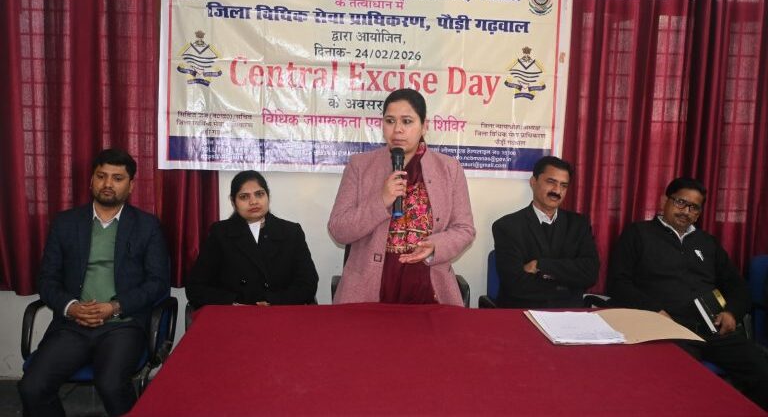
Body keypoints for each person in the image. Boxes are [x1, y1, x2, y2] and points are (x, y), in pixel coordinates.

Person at [18, 149, 170, 417]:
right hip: (72, 326)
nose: (108, 184)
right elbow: (47, 278)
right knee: (32, 387)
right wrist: (71, 307)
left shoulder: (147, 226)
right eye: (101, 176)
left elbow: (157, 282)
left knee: (111, 384)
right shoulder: (66, 223)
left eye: (117, 178)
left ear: (131, 185)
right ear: (91, 181)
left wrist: (115, 307)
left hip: (122, 325)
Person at [608, 177, 768, 410]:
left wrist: (732, 313)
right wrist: (653, 311)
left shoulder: (707, 242)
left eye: (694, 207)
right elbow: (618, 284)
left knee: (761, 370)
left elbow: (737, 286)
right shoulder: (638, 234)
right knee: (678, 386)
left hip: (712, 328)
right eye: (681, 202)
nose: (686, 211)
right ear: (664, 201)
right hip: (667, 329)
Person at [328, 88, 475, 305]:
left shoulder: (449, 169)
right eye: (390, 121)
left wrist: (436, 246)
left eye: (407, 121)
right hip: (369, 289)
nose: (397, 129)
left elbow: (464, 229)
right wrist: (381, 200)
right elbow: (338, 229)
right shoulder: (360, 166)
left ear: (424, 126)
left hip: (428, 288)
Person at [186, 170, 318, 306]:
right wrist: (232, 303)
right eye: (244, 197)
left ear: (268, 196)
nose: (253, 201)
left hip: (279, 311)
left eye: (259, 194)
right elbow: (195, 287)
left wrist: (274, 301)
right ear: (233, 202)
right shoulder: (220, 233)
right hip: (235, 314)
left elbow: (308, 284)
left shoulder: (291, 232)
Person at [491, 156, 599, 308]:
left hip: (569, 312)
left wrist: (540, 265)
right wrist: (568, 283)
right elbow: (515, 284)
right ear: (533, 182)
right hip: (523, 310)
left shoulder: (579, 224)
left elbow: (590, 274)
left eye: (563, 185)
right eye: (551, 182)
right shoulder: (507, 227)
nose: (557, 190)